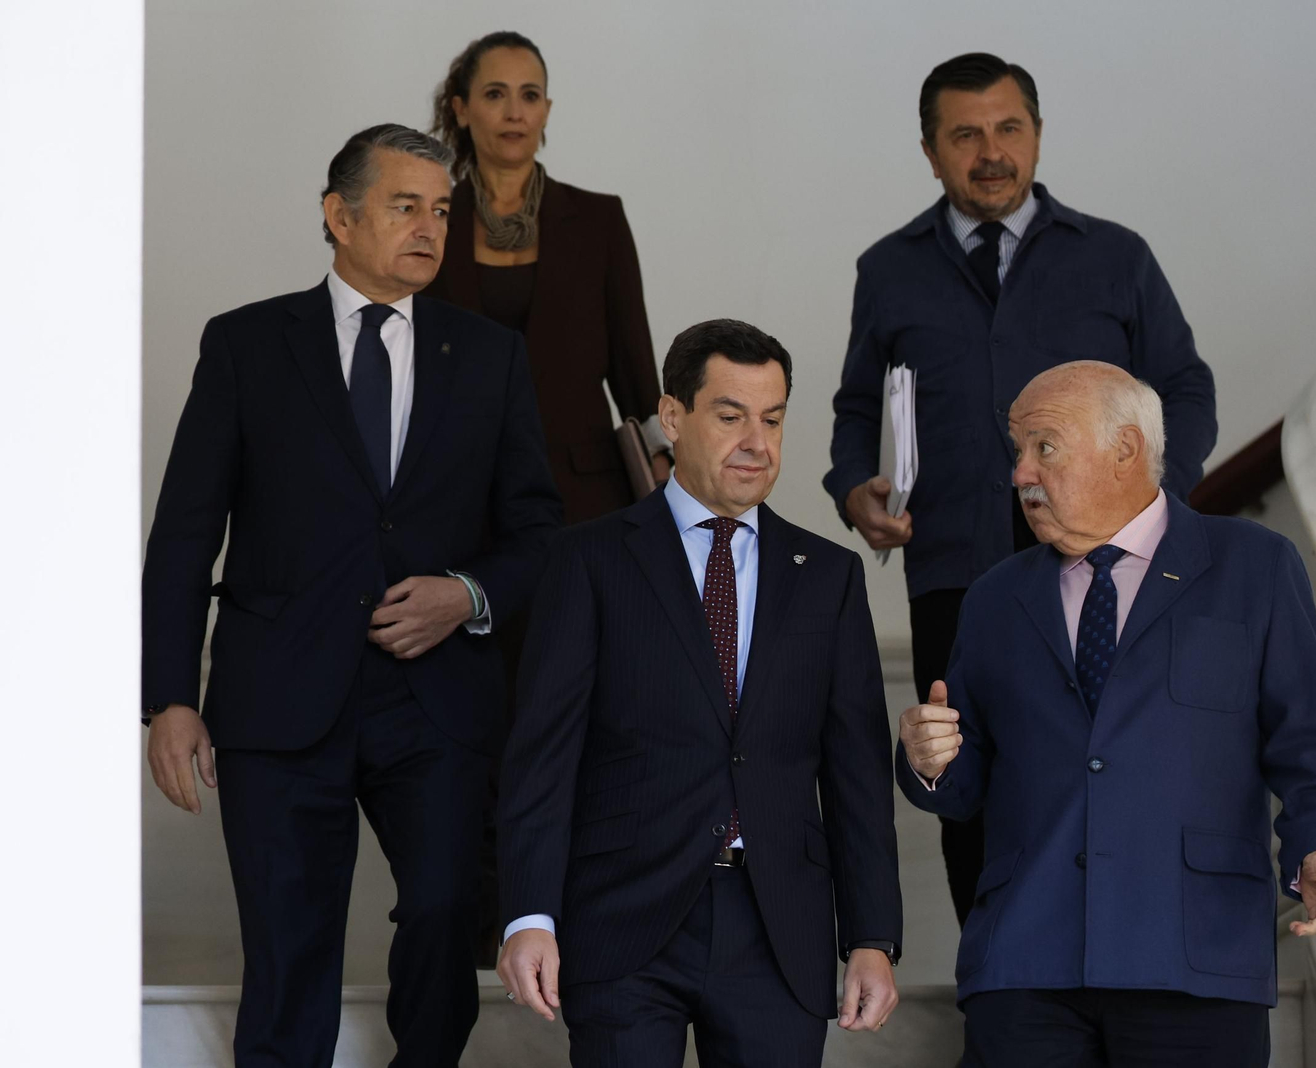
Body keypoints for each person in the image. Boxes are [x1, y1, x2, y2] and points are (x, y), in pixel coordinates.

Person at [141, 124, 563, 1068]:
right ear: (338, 216)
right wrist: (170, 696)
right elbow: (183, 531)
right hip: (280, 697)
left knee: (452, 908)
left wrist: (467, 593)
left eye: (442, 210)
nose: (429, 227)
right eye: (405, 205)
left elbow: (539, 533)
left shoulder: (488, 355)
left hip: (438, 699)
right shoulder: (247, 344)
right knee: (289, 951)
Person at [824, 52, 1219, 931]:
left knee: (1113, 768)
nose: (990, 151)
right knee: (966, 787)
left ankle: (1118, 976)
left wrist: (1154, 497)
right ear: (930, 151)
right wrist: (856, 489)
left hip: (1108, 574)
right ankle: (998, 990)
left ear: (1037, 136)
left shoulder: (1116, 258)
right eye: (965, 135)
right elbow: (856, 410)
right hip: (955, 579)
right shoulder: (888, 269)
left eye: (1009, 129)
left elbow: (1185, 388)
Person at [896, 362, 1316, 1067]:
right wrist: (928, 759)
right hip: (1028, 965)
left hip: (1195, 959)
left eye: (1044, 447)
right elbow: (965, 784)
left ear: (1125, 450)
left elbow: (1313, 753)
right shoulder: (996, 597)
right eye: (1016, 450)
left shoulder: (1254, 567)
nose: (1020, 472)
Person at [496, 319, 903, 1067]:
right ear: (674, 417)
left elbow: (857, 777)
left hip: (779, 926)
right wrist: (529, 913)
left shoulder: (830, 578)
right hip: (623, 916)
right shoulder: (587, 561)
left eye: (773, 419)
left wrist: (872, 936)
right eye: (730, 415)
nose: (757, 441)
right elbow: (542, 759)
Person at [424, 30, 670, 521]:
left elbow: (634, 368)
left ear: (546, 110)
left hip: (586, 496)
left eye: (529, 95)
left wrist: (666, 472)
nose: (515, 112)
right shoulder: (429, 223)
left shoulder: (600, 220)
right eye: (495, 94)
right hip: (459, 494)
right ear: (461, 109)